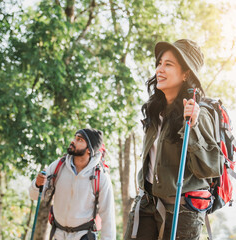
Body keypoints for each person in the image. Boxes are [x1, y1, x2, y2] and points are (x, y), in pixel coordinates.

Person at [124, 39, 225, 240]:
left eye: (168, 64)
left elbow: (211, 169)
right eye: (159, 63)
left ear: (186, 73)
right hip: (146, 205)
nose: (160, 69)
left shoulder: (199, 113)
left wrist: (193, 126)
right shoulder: (155, 110)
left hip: (182, 212)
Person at [29, 128, 116, 240]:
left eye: (79, 140)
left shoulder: (101, 177)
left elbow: (108, 216)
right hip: (58, 234)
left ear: (89, 149)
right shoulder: (58, 167)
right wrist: (37, 184)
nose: (73, 141)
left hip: (84, 236)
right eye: (75, 138)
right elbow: (34, 195)